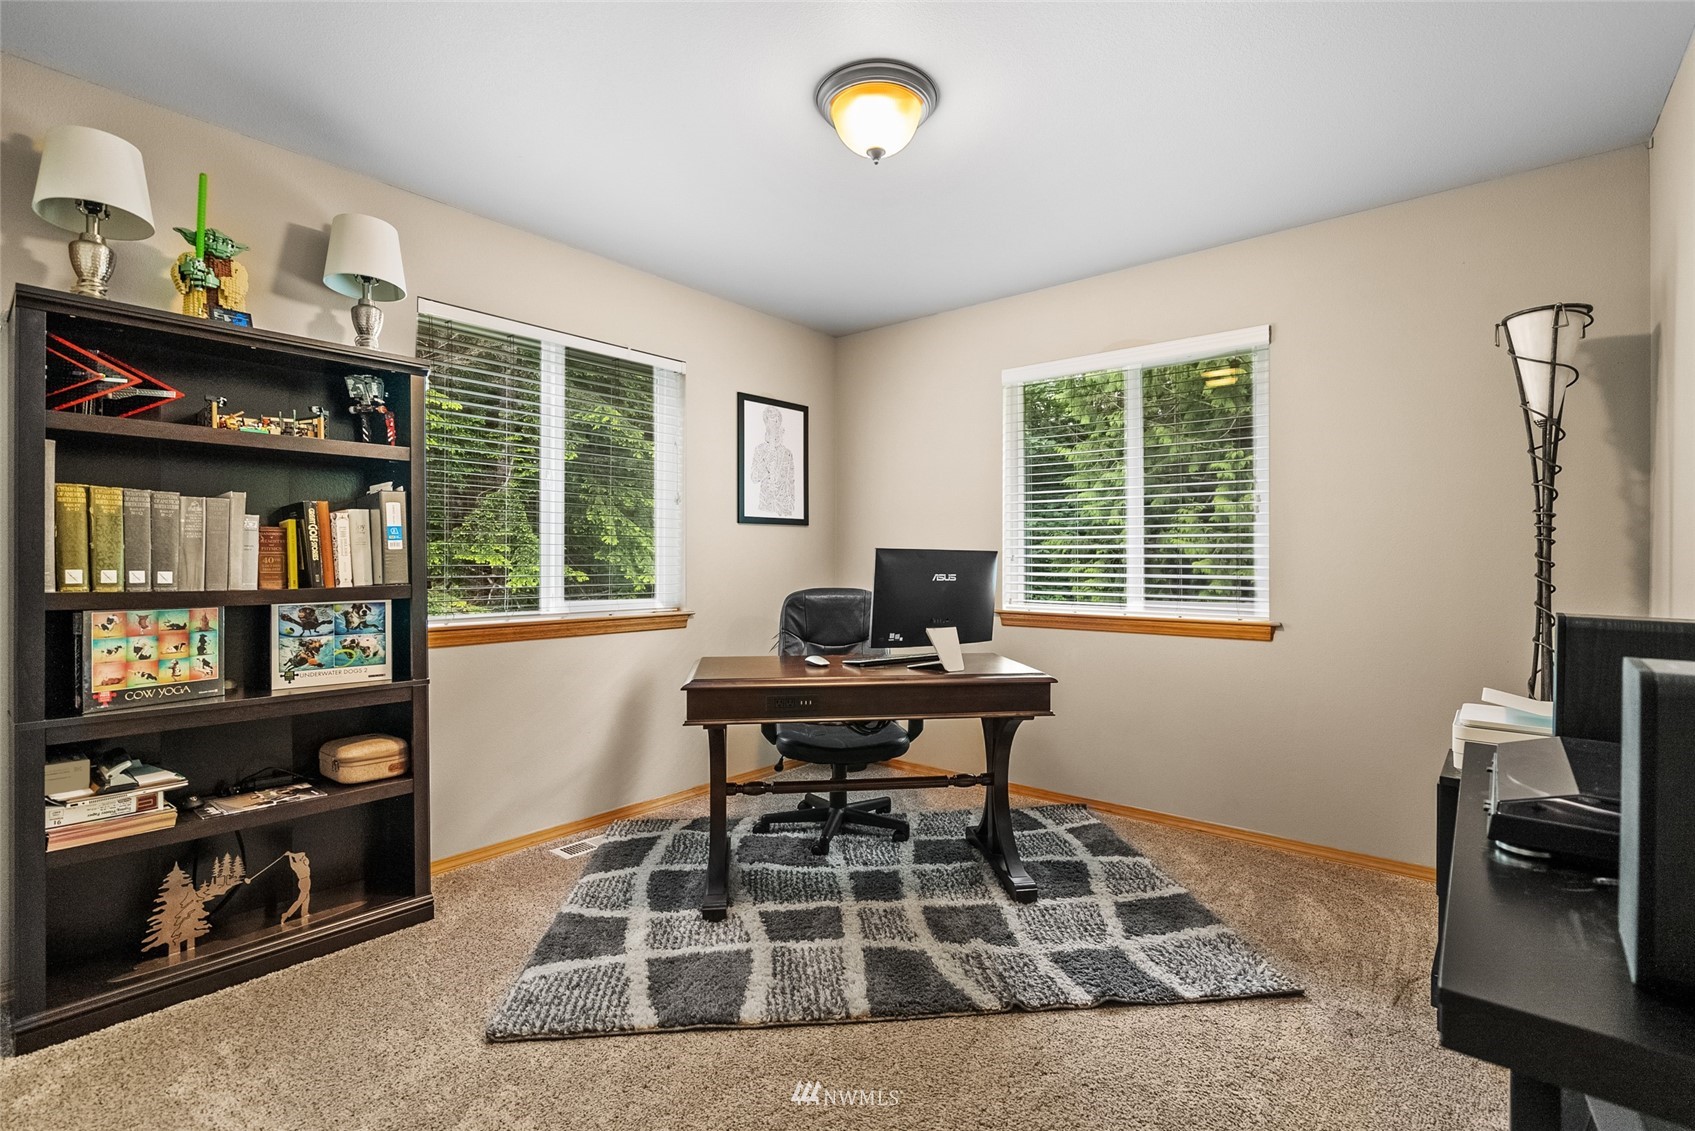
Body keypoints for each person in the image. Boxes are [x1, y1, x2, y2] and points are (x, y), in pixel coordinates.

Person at [750, 405, 797, 516]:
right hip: (765, 507)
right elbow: (754, 478)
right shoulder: (760, 450)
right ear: (766, 423)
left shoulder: (787, 453)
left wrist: (790, 506)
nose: (774, 425)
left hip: (784, 508)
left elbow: (791, 482)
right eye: (771, 421)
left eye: (776, 421)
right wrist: (766, 462)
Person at [279, 852, 311, 926]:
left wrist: (290, 855)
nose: (303, 857)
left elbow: (295, 859)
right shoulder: (303, 862)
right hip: (305, 882)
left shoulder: (295, 865)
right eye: (301, 857)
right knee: (300, 900)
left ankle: (304, 913)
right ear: (298, 859)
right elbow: (302, 854)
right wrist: (290, 854)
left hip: (304, 881)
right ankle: (286, 914)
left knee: (306, 898)